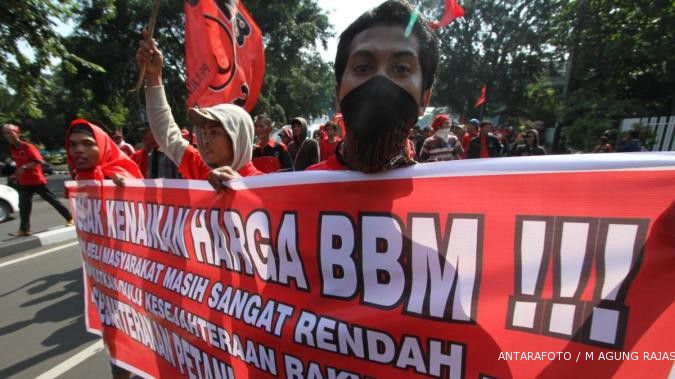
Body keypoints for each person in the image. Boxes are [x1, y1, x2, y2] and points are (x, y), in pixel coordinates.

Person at [308, 0, 437, 172]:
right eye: (362, 68)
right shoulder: (298, 193)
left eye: (401, 68)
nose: (380, 83)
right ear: (338, 95)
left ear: (424, 99)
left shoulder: (443, 196)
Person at [136, 33, 262, 191]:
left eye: (215, 132)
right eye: (206, 133)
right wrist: (153, 77)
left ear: (237, 138)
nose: (206, 139)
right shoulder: (205, 173)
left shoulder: (265, 184)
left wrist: (242, 188)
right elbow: (166, 134)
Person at [2, 123, 73, 237]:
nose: (8, 136)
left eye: (10, 133)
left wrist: (24, 167)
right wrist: (15, 175)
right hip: (24, 182)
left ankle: (70, 218)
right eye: (5, 134)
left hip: (36, 180)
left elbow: (38, 160)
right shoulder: (12, 148)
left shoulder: (27, 146)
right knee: (24, 206)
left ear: (18, 133)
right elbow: (19, 164)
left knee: (52, 200)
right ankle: (24, 230)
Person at [66, 119, 144, 184]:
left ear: (102, 147)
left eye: (88, 144)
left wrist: (124, 188)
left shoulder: (119, 176)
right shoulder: (78, 177)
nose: (78, 150)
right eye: (72, 144)